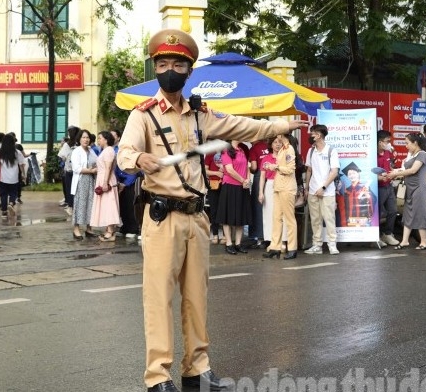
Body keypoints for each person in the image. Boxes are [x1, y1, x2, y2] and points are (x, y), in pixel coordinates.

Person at [116, 28, 306, 392]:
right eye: (163, 63)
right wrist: (139, 158)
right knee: (158, 298)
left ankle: (196, 370)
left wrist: (282, 124)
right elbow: (125, 154)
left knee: (197, 297)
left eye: (177, 63)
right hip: (161, 217)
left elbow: (243, 126)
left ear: (189, 70)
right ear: (155, 67)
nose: (169, 69)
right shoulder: (143, 115)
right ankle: (158, 377)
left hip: (198, 218)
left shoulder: (202, 115)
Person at [388, 132, 426, 250]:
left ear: (415, 143)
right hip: (409, 187)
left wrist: (396, 173)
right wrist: (394, 172)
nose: (406, 146)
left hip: (419, 188)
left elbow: (413, 170)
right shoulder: (410, 154)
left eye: (407, 143)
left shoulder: (421, 154)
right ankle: (404, 241)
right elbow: (404, 169)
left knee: (419, 213)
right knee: (407, 213)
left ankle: (424, 241)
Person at [304, 124, 340, 255]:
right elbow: (309, 170)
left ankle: (332, 244)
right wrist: (307, 187)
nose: (310, 136)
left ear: (318, 135)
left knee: (329, 218)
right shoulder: (311, 151)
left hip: (327, 191)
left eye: (312, 134)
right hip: (313, 190)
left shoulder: (331, 150)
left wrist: (323, 187)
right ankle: (317, 245)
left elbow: (334, 171)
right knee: (315, 219)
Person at [262, 133, 299, 259]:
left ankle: (293, 248)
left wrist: (275, 166)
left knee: (289, 219)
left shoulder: (289, 148)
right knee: (276, 218)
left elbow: (290, 169)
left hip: (287, 187)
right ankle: (275, 247)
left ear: (281, 134)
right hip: (278, 187)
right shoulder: (283, 148)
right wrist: (272, 167)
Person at [218, 140, 253, 255]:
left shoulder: (242, 149)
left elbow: (247, 166)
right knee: (227, 216)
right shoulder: (226, 150)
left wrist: (247, 180)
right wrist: (243, 180)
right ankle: (228, 243)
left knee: (241, 216)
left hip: (242, 187)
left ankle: (238, 243)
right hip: (230, 186)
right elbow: (229, 170)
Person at [90, 131, 120, 241]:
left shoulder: (108, 151)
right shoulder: (105, 151)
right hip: (102, 178)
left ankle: (111, 231)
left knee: (109, 205)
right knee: (106, 205)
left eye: (100, 138)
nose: (98, 141)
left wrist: (105, 182)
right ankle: (108, 229)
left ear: (106, 140)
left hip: (106, 179)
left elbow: (108, 168)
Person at [70, 129, 98, 239]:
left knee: (91, 204)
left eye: (87, 137)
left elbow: (97, 162)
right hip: (81, 180)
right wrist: (90, 171)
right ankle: (76, 228)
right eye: (83, 137)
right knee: (80, 204)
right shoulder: (76, 151)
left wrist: (95, 169)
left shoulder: (91, 151)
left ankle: (89, 228)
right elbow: (76, 168)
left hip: (91, 180)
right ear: (79, 139)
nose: (86, 140)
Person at [375, 130, 400, 246]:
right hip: (378, 188)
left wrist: (393, 171)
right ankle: (376, 236)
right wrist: (379, 178)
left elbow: (390, 166)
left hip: (388, 186)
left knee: (393, 210)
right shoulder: (372, 154)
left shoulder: (387, 152)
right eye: (387, 141)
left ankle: (388, 234)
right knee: (378, 213)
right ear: (380, 142)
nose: (389, 143)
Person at [0, 133, 26, 220]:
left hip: (3, 177)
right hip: (14, 177)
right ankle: (11, 204)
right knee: (13, 193)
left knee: (3, 194)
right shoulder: (17, 152)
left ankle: (4, 212)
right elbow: (22, 164)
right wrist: (23, 174)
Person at [258, 137, 279, 248]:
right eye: (275, 142)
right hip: (270, 184)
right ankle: (270, 239)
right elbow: (262, 177)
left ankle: (281, 240)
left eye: (280, 142)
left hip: (282, 185)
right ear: (271, 144)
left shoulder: (284, 157)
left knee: (281, 214)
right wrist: (260, 192)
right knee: (268, 213)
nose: (277, 144)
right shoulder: (266, 158)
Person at [341, 161, 377, 227]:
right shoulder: (347, 190)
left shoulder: (364, 187)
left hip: (363, 220)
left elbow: (373, 200)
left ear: (358, 174)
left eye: (354, 173)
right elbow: (344, 206)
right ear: (348, 177)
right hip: (350, 220)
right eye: (349, 174)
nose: (352, 175)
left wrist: (368, 195)